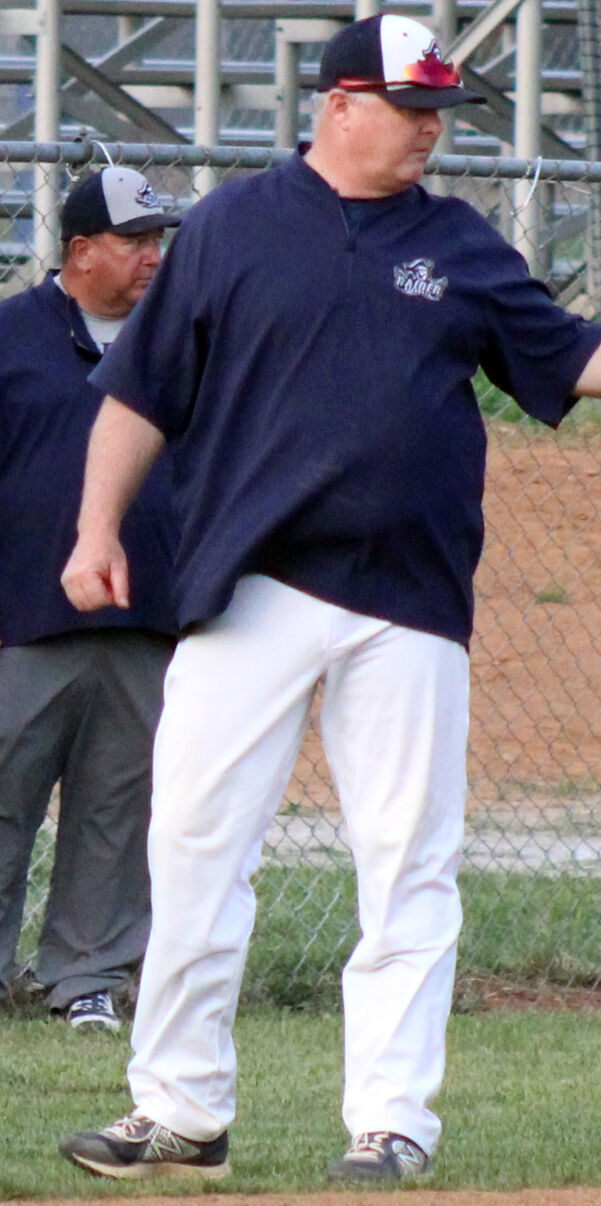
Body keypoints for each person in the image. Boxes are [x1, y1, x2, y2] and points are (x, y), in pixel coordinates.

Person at [55, 13, 601, 1186]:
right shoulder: (233, 227)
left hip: (409, 600)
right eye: (413, 108)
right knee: (192, 849)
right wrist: (95, 531)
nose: (433, 131)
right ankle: (180, 1112)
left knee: (406, 864)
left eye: (443, 111)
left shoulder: (460, 242)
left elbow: (574, 355)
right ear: (340, 105)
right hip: (250, 587)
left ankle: (390, 1122)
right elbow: (137, 398)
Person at [0, 167, 179, 1035]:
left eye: (159, 241)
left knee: (119, 808)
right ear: (79, 252)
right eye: (135, 241)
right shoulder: (10, 336)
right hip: (21, 622)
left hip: (146, 620)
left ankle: (89, 980)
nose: (153, 257)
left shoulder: (182, 345)